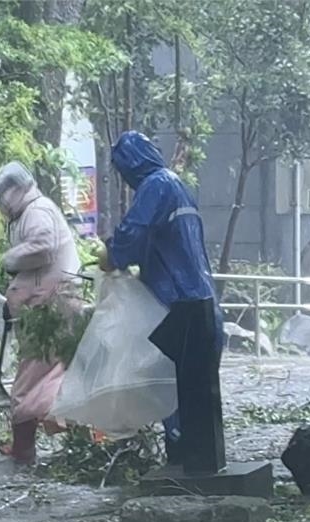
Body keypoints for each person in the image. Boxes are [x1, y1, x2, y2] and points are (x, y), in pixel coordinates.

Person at [98, 131, 227, 473]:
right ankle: (198, 461)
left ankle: (183, 463)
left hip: (178, 305)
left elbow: (132, 234)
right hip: (203, 301)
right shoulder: (178, 187)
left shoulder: (155, 186)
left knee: (171, 386)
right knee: (197, 393)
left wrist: (112, 253)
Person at [0, 161, 82, 466]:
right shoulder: (30, 212)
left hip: (49, 308)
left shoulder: (37, 210)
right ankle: (39, 440)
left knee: (35, 378)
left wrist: (7, 260)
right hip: (43, 306)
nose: (0, 205)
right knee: (45, 373)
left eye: (1, 197)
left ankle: (24, 447)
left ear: (17, 190)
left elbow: (42, 247)